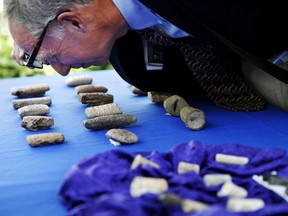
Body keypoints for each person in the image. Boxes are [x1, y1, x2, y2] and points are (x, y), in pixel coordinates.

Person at [3, 0, 288, 111]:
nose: (62, 71)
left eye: (52, 58)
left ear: (74, 22)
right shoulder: (114, 32)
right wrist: (34, 44)